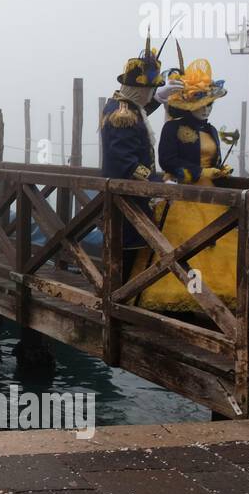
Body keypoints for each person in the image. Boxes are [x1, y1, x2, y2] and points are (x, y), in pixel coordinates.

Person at [132, 58, 237, 310]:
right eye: (202, 105)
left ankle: (214, 299)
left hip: (211, 196)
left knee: (213, 243)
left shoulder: (211, 130)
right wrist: (201, 171)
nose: (207, 110)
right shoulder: (173, 128)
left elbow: (214, 158)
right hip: (181, 194)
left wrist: (220, 170)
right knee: (182, 246)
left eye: (209, 105)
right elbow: (167, 161)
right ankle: (180, 296)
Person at [100, 34, 172, 277]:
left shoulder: (123, 107)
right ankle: (119, 299)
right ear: (139, 90)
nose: (152, 94)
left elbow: (138, 117)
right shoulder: (122, 114)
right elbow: (126, 162)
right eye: (151, 90)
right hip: (127, 197)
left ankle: (123, 297)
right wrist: (154, 183)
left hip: (127, 196)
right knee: (127, 253)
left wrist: (159, 100)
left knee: (130, 251)